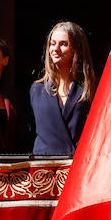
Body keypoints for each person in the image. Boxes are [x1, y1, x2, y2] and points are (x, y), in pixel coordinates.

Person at [26, 21, 96, 155]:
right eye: (52, 44)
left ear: (76, 49)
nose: (55, 49)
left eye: (63, 44)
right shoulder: (37, 89)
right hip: (44, 168)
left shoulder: (89, 88)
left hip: (78, 165)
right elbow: (28, 133)